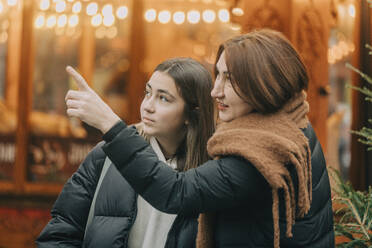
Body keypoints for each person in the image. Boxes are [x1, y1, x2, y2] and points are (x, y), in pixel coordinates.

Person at [64, 29, 335, 248]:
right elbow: (63, 228)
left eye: (229, 79)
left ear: (263, 84)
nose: (215, 91)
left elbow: (176, 192)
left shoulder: (263, 148)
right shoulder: (288, 125)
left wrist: (110, 124)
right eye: (217, 75)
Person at [36, 57, 215, 248]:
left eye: (163, 98)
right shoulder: (106, 155)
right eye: (147, 93)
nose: (148, 106)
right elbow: (60, 232)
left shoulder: (213, 172)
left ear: (191, 113)